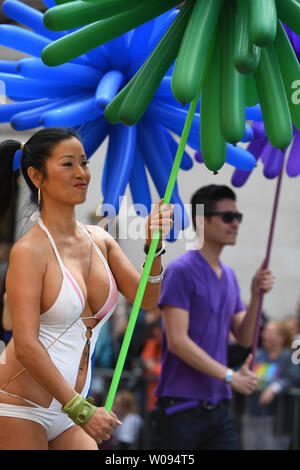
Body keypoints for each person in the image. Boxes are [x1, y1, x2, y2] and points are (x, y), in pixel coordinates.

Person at [0, 127, 174, 450]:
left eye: (84, 162)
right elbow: (25, 345)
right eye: (68, 164)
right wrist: (82, 410)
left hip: (72, 412)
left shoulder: (101, 240)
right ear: (37, 177)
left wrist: (154, 248)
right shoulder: (28, 251)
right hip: (20, 405)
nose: (82, 173)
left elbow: (146, 300)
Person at [150, 184, 275, 450]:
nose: (235, 224)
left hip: (219, 408)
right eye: (227, 217)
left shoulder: (228, 275)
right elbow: (178, 341)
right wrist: (231, 376)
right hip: (180, 409)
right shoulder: (180, 270)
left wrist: (255, 295)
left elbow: (244, 335)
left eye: (237, 217)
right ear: (201, 220)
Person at [241, 320, 298, 450]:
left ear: (281, 337)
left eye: (270, 332)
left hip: (275, 421)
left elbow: (292, 377)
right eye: (264, 330)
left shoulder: (288, 357)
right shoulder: (258, 355)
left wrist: (274, 389)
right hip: (252, 415)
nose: (264, 335)